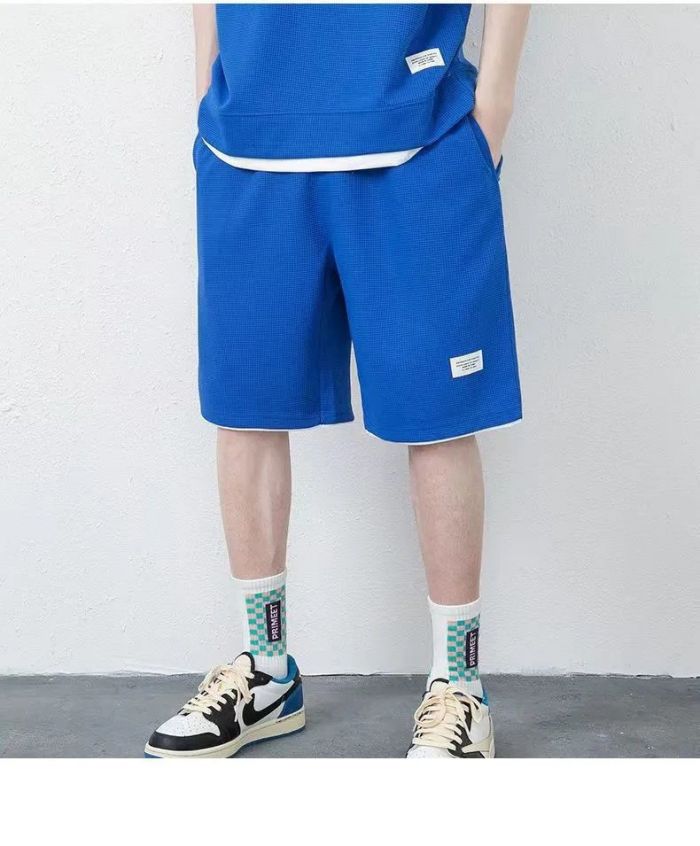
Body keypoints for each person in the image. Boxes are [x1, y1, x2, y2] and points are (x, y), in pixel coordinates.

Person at [145, 2, 530, 759]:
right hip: (247, 144)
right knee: (246, 410)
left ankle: (459, 683)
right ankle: (266, 671)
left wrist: (495, 108)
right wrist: (209, 87)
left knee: (438, 416)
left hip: (419, 137)